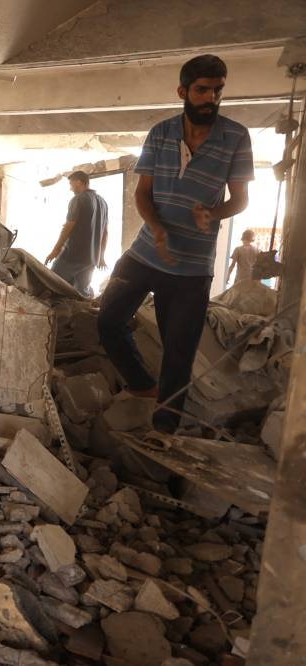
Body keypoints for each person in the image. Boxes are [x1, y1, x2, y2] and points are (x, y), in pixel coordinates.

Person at [97, 54, 253, 434]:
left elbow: (241, 199)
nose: (210, 99)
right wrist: (157, 227)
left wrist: (214, 214)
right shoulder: (160, 133)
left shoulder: (236, 137)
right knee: (108, 320)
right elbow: (142, 193)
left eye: (218, 91)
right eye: (202, 90)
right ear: (183, 91)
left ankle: (165, 431)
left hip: (192, 269)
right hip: (145, 253)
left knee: (179, 354)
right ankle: (141, 384)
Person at [45, 171, 109, 297]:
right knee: (81, 294)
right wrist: (101, 256)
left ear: (79, 182)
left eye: (71, 184)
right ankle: (81, 316)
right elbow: (105, 232)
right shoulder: (103, 203)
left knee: (51, 284)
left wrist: (56, 250)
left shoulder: (78, 199)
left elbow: (69, 226)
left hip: (73, 255)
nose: (70, 188)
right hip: (91, 259)